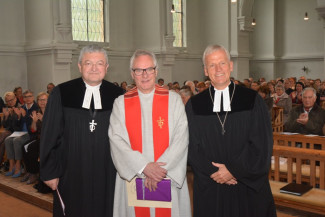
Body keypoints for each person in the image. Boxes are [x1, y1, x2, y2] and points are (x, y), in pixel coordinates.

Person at [186, 45, 276, 217]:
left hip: (246, 185)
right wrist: (216, 173)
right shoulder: (195, 105)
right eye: (212, 65)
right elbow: (191, 147)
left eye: (222, 63)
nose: (218, 69)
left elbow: (263, 144)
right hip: (212, 184)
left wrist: (234, 170)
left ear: (231, 65)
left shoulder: (252, 100)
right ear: (205, 70)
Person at [40, 45, 124, 217]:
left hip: (108, 171)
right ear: (79, 66)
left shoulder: (119, 95)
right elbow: (50, 134)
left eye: (99, 63)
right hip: (70, 170)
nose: (94, 68)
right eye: (88, 63)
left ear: (106, 67)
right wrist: (50, 171)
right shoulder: (61, 92)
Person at [109, 49, 191, 217]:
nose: (144, 75)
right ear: (132, 73)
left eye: (149, 69)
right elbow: (116, 141)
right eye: (139, 70)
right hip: (135, 177)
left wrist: (159, 171)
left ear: (156, 71)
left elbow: (181, 139)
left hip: (166, 177)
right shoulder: (121, 103)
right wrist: (144, 167)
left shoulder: (173, 100)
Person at [4, 90, 38, 178]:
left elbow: (32, 127)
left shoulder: (36, 107)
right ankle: (11, 165)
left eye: (30, 96)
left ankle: (18, 166)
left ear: (33, 97)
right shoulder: (22, 107)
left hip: (30, 133)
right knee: (7, 140)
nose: (28, 99)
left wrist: (24, 115)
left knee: (16, 141)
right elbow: (17, 126)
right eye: (25, 97)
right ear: (23, 98)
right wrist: (19, 117)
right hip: (20, 132)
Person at [21, 92, 49, 184]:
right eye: (40, 100)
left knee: (31, 147)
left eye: (44, 99)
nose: (42, 102)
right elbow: (33, 129)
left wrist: (43, 119)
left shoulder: (51, 112)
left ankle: (34, 173)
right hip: (39, 137)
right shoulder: (37, 112)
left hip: (49, 138)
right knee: (24, 146)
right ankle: (29, 171)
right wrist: (34, 121)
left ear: (48, 101)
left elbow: (52, 128)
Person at [0, 92, 22, 165]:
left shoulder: (21, 107)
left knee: (3, 135)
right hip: (10, 132)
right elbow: (4, 125)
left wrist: (18, 116)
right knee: (3, 143)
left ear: (15, 99)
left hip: (19, 132)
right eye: (8, 101)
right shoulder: (7, 109)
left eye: (11, 100)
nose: (10, 102)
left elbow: (20, 125)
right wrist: (5, 117)